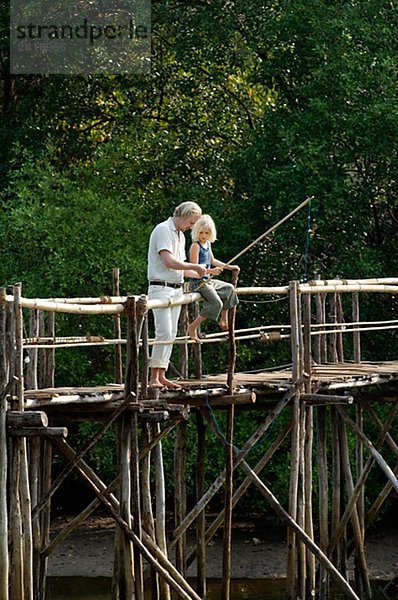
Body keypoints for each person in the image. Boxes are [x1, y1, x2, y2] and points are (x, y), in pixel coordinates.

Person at [147, 201, 206, 389]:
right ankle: (153, 377)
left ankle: (161, 374)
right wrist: (193, 266)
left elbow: (180, 269)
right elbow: (169, 261)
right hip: (160, 288)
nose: (191, 227)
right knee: (163, 331)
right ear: (184, 215)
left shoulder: (181, 235)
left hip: (176, 288)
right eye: (191, 222)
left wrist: (202, 272)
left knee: (171, 333)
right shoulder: (163, 229)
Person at [187, 214, 240, 342]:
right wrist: (211, 271)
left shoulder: (208, 245)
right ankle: (193, 327)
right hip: (198, 282)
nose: (203, 235)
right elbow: (194, 267)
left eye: (206, 233)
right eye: (201, 232)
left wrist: (229, 267)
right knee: (216, 303)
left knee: (229, 288)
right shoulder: (195, 246)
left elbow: (213, 260)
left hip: (208, 280)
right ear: (196, 232)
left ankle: (223, 317)